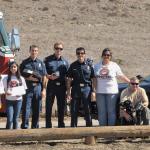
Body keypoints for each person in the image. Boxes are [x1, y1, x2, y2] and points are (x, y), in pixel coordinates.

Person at [94, 48, 130, 126]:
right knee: (101, 112)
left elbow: (121, 76)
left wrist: (130, 82)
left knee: (111, 111)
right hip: (100, 92)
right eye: (104, 55)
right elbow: (94, 79)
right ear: (102, 56)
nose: (106, 56)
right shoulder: (97, 66)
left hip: (112, 92)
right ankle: (103, 131)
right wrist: (94, 91)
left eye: (108, 55)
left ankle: (111, 132)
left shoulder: (114, 65)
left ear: (110, 56)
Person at [66, 47, 95, 127]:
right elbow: (68, 79)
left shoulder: (89, 65)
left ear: (84, 54)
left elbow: (93, 78)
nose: (80, 55)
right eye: (78, 53)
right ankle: (73, 129)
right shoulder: (73, 65)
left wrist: (93, 91)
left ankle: (89, 130)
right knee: (74, 110)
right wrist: (68, 92)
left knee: (88, 109)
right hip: (76, 89)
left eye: (82, 53)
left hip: (87, 89)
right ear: (76, 54)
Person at [20, 45, 47, 129]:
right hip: (28, 87)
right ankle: (25, 126)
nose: (34, 52)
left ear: (37, 52)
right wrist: (28, 78)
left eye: (36, 50)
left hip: (38, 88)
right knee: (26, 109)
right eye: (32, 50)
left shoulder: (41, 63)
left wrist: (44, 90)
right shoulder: (24, 62)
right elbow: (19, 75)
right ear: (29, 51)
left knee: (37, 109)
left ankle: (35, 127)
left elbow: (45, 77)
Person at [44, 42, 69, 128]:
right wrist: (49, 76)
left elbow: (67, 76)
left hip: (62, 87)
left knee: (61, 106)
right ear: (54, 49)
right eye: (57, 48)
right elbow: (44, 73)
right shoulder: (47, 60)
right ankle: (48, 125)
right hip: (51, 85)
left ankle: (61, 125)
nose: (59, 50)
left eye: (60, 49)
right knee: (49, 106)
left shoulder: (65, 62)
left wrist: (68, 90)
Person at [3, 61, 27, 129]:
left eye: (15, 67)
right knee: (10, 119)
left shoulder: (21, 78)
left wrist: (20, 94)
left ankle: (15, 136)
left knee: (15, 119)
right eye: (12, 67)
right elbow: (3, 89)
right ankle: (7, 135)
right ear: (9, 68)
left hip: (18, 101)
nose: (13, 68)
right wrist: (6, 92)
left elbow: (24, 90)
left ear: (17, 68)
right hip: (9, 101)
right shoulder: (6, 78)